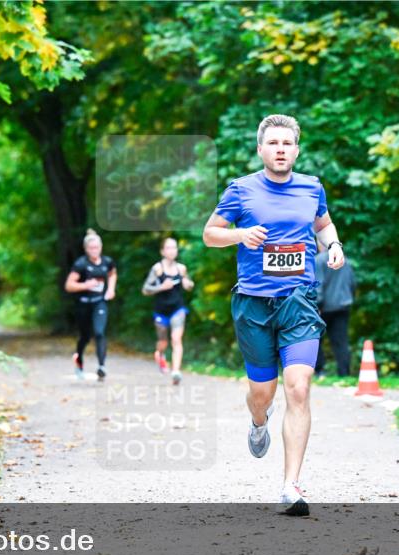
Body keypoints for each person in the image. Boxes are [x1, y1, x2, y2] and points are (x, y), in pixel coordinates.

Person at [202, 114, 346, 516]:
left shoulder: (311, 187)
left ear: (296, 150)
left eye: (288, 143)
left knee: (298, 387)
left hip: (298, 299)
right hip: (253, 303)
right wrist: (239, 235)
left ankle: (291, 486)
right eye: (274, 143)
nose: (281, 149)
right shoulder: (241, 190)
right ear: (261, 149)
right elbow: (209, 234)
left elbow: (324, 225)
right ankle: (258, 420)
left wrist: (333, 245)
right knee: (263, 394)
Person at [64, 229, 117, 381]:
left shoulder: (107, 262)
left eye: (97, 247)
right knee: (85, 337)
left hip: (99, 302)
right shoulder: (81, 264)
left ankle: (102, 367)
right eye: (91, 248)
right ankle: (79, 359)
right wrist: (85, 285)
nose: (95, 251)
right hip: (83, 305)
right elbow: (69, 285)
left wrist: (111, 289)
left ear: (101, 247)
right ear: (86, 249)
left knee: (100, 332)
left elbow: (113, 273)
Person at [142, 237, 195, 385]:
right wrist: (160, 287)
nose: (172, 251)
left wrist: (187, 283)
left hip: (177, 309)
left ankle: (176, 371)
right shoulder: (157, 269)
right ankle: (160, 354)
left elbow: (190, 285)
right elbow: (145, 289)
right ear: (162, 251)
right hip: (161, 311)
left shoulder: (181, 268)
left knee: (176, 339)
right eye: (169, 248)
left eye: (174, 247)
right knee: (163, 341)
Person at [314, 243, 356, 377]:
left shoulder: (319, 260)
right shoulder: (345, 261)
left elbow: (317, 285)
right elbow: (353, 284)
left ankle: (320, 371)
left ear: (321, 245)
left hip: (323, 308)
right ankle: (344, 373)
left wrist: (317, 306)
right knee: (341, 342)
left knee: (315, 340)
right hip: (342, 306)